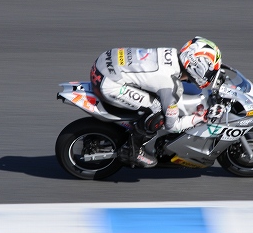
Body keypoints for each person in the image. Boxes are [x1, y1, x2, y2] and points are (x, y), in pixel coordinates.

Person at [90, 37, 223, 168]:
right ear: (197, 67)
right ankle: (132, 150)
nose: (211, 76)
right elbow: (172, 126)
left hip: (105, 61)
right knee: (158, 112)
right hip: (108, 84)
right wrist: (200, 118)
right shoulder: (170, 86)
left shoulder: (170, 53)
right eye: (211, 73)